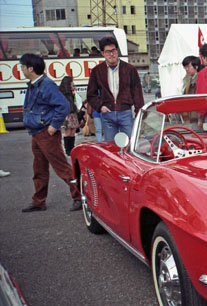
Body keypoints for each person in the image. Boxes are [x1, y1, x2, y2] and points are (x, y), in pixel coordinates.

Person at [19, 53, 82, 213]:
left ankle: (79, 196)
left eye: (23, 66)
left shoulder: (46, 84)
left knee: (62, 167)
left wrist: (54, 126)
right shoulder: (34, 84)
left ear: (31, 69)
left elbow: (63, 106)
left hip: (46, 134)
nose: (22, 69)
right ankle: (38, 201)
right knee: (39, 169)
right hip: (37, 133)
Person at [87, 36, 144, 141]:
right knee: (110, 146)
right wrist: (100, 107)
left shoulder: (130, 69)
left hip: (125, 112)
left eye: (113, 50)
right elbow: (91, 94)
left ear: (117, 51)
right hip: (107, 114)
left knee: (130, 144)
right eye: (108, 52)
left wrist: (139, 114)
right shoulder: (97, 71)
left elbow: (137, 93)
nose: (111, 54)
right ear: (103, 53)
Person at [58, 76, 80, 155]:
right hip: (67, 113)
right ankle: (68, 149)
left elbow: (75, 102)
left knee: (73, 131)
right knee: (68, 131)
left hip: (73, 112)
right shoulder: (62, 92)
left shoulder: (70, 92)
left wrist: (73, 94)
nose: (72, 83)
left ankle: (72, 147)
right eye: (71, 82)